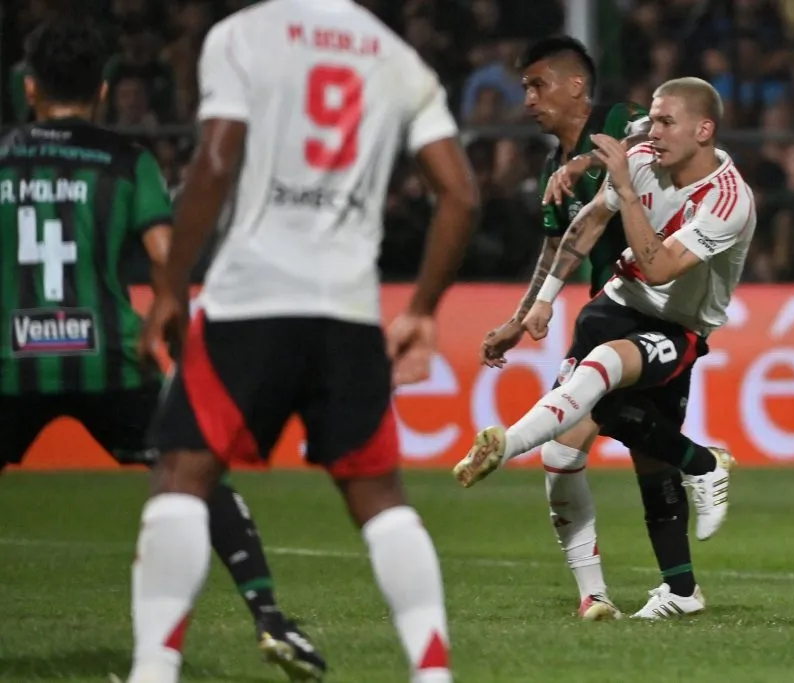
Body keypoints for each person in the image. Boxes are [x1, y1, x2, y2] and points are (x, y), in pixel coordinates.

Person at [122, 0, 477, 681]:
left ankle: (153, 669)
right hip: (345, 308)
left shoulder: (240, 36)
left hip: (250, 300)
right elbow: (460, 194)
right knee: (380, 499)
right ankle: (433, 672)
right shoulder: (398, 59)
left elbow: (218, 158)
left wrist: (169, 285)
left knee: (182, 477)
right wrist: (424, 308)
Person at [0, 18, 326, 680]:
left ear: (29, 89)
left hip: (9, 364)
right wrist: (176, 342)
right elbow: (164, 263)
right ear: (101, 88)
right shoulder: (126, 162)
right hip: (110, 358)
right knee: (194, 472)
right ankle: (270, 617)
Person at [456, 77, 753, 620]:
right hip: (617, 302)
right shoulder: (640, 158)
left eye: (667, 122)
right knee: (563, 453)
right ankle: (599, 595)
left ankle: (507, 444)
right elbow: (589, 225)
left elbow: (662, 268)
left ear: (703, 130)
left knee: (638, 442)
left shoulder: (729, 199)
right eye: (653, 120)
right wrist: (536, 307)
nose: (653, 131)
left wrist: (626, 185)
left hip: (677, 323)